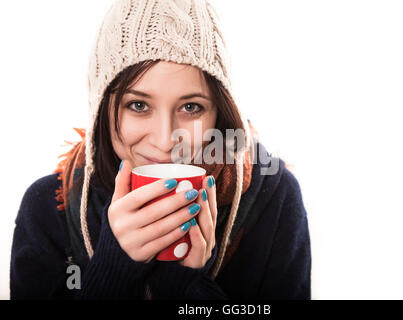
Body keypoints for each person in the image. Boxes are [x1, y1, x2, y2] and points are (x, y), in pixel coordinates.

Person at [10, 0, 311, 299]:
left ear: (220, 113)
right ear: (102, 108)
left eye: (191, 107)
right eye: (138, 106)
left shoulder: (273, 197)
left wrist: (184, 283)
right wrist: (111, 272)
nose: (166, 140)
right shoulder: (48, 209)